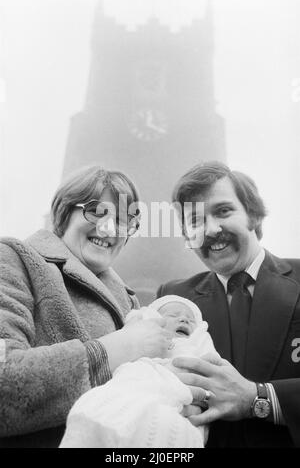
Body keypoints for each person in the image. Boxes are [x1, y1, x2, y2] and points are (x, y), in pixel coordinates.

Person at [0, 165, 172, 448]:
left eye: (123, 220)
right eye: (96, 211)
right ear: (64, 213)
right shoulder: (14, 259)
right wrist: (117, 348)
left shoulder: (129, 301)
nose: (110, 228)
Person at [157, 161, 300, 448]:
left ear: (254, 216)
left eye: (223, 211)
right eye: (195, 221)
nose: (209, 230)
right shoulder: (172, 298)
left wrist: (258, 398)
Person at [60, 295, 218, 448]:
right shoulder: (143, 338)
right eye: (173, 315)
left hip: (182, 396)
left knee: (173, 429)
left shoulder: (194, 346)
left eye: (191, 320)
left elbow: (212, 363)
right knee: (103, 406)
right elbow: (137, 319)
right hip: (142, 376)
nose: (183, 319)